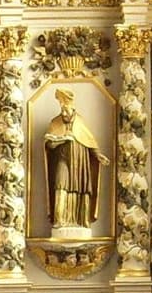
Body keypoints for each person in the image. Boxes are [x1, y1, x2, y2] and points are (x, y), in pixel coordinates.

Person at [44, 87, 108, 229]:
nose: (64, 114)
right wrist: (63, 139)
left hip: (80, 162)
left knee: (81, 189)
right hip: (62, 160)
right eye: (62, 111)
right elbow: (49, 144)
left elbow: (89, 141)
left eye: (66, 111)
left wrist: (98, 155)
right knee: (60, 185)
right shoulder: (55, 122)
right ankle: (59, 220)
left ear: (73, 110)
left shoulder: (80, 122)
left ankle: (81, 220)